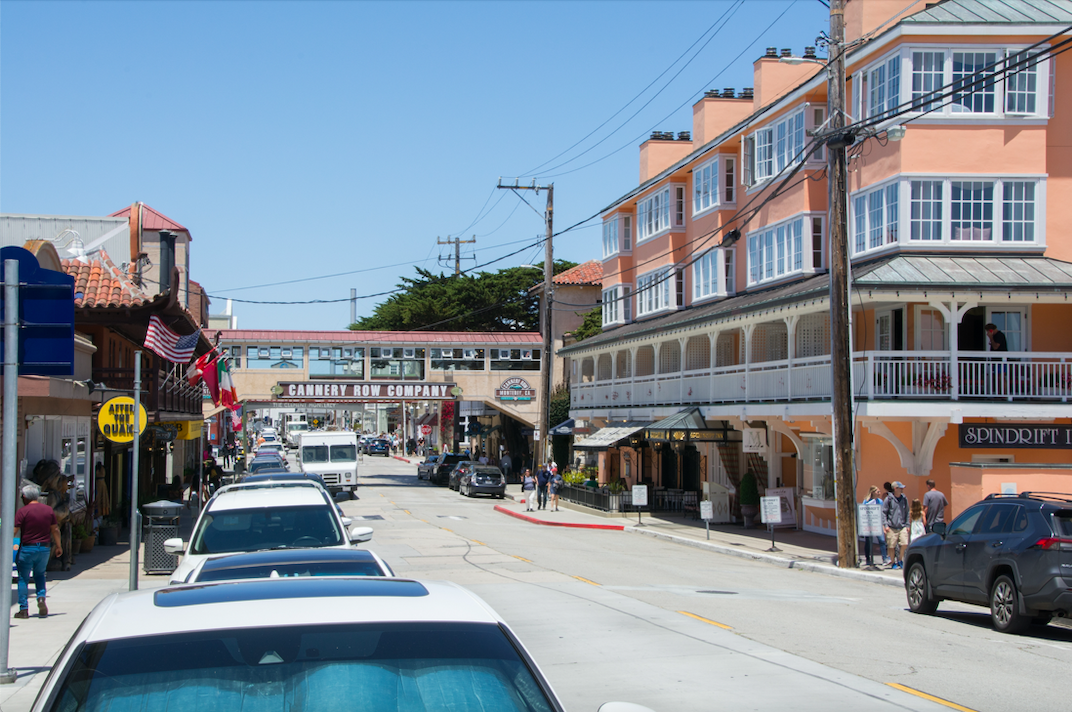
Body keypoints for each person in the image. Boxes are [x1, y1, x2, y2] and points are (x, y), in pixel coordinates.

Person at [13, 484, 62, 618]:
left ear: (24, 497)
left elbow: (14, 531)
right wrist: (59, 546)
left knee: (23, 578)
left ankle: (23, 609)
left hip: (27, 548)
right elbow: (55, 530)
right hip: (44, 548)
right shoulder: (48, 510)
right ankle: (41, 597)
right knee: (40, 574)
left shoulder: (22, 511)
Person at [882, 481, 909, 570]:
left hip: (902, 526)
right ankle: (893, 562)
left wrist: (908, 524)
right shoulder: (889, 499)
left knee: (904, 543)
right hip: (891, 527)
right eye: (900, 488)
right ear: (895, 489)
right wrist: (885, 525)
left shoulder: (904, 499)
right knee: (891, 546)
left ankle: (900, 560)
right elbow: (884, 512)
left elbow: (907, 512)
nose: (902, 490)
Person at [860, 485, 885, 567]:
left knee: (882, 540)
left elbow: (883, 512)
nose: (879, 493)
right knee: (868, 542)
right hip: (869, 524)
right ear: (873, 492)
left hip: (878, 523)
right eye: (878, 492)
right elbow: (863, 512)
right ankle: (868, 558)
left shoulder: (880, 501)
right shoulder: (866, 501)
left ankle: (884, 558)